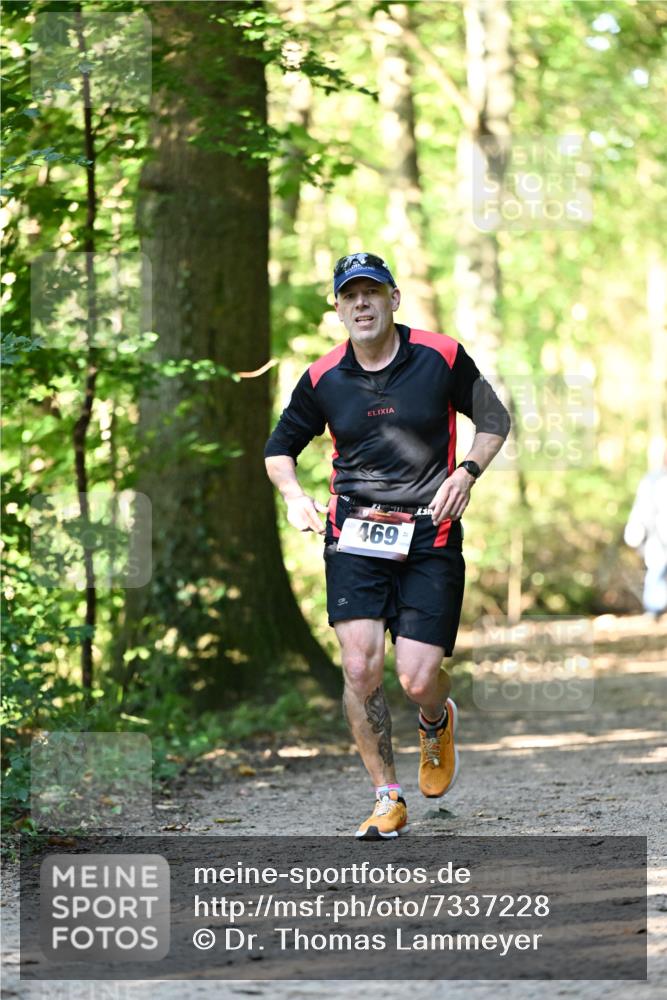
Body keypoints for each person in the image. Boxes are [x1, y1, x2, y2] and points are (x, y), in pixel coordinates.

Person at [264, 252, 510, 839]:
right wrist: (295, 497)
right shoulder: (323, 376)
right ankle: (387, 796)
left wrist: (467, 472)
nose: (362, 304)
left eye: (372, 293)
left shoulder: (440, 355)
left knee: (419, 677)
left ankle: (435, 718)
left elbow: (495, 418)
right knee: (359, 665)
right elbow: (279, 450)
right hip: (354, 532)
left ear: (394, 299)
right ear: (339, 308)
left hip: (432, 529)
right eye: (351, 296)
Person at [624, 447, 667, 618]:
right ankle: (654, 610)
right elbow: (641, 508)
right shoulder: (653, 479)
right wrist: (636, 529)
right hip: (656, 535)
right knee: (657, 570)